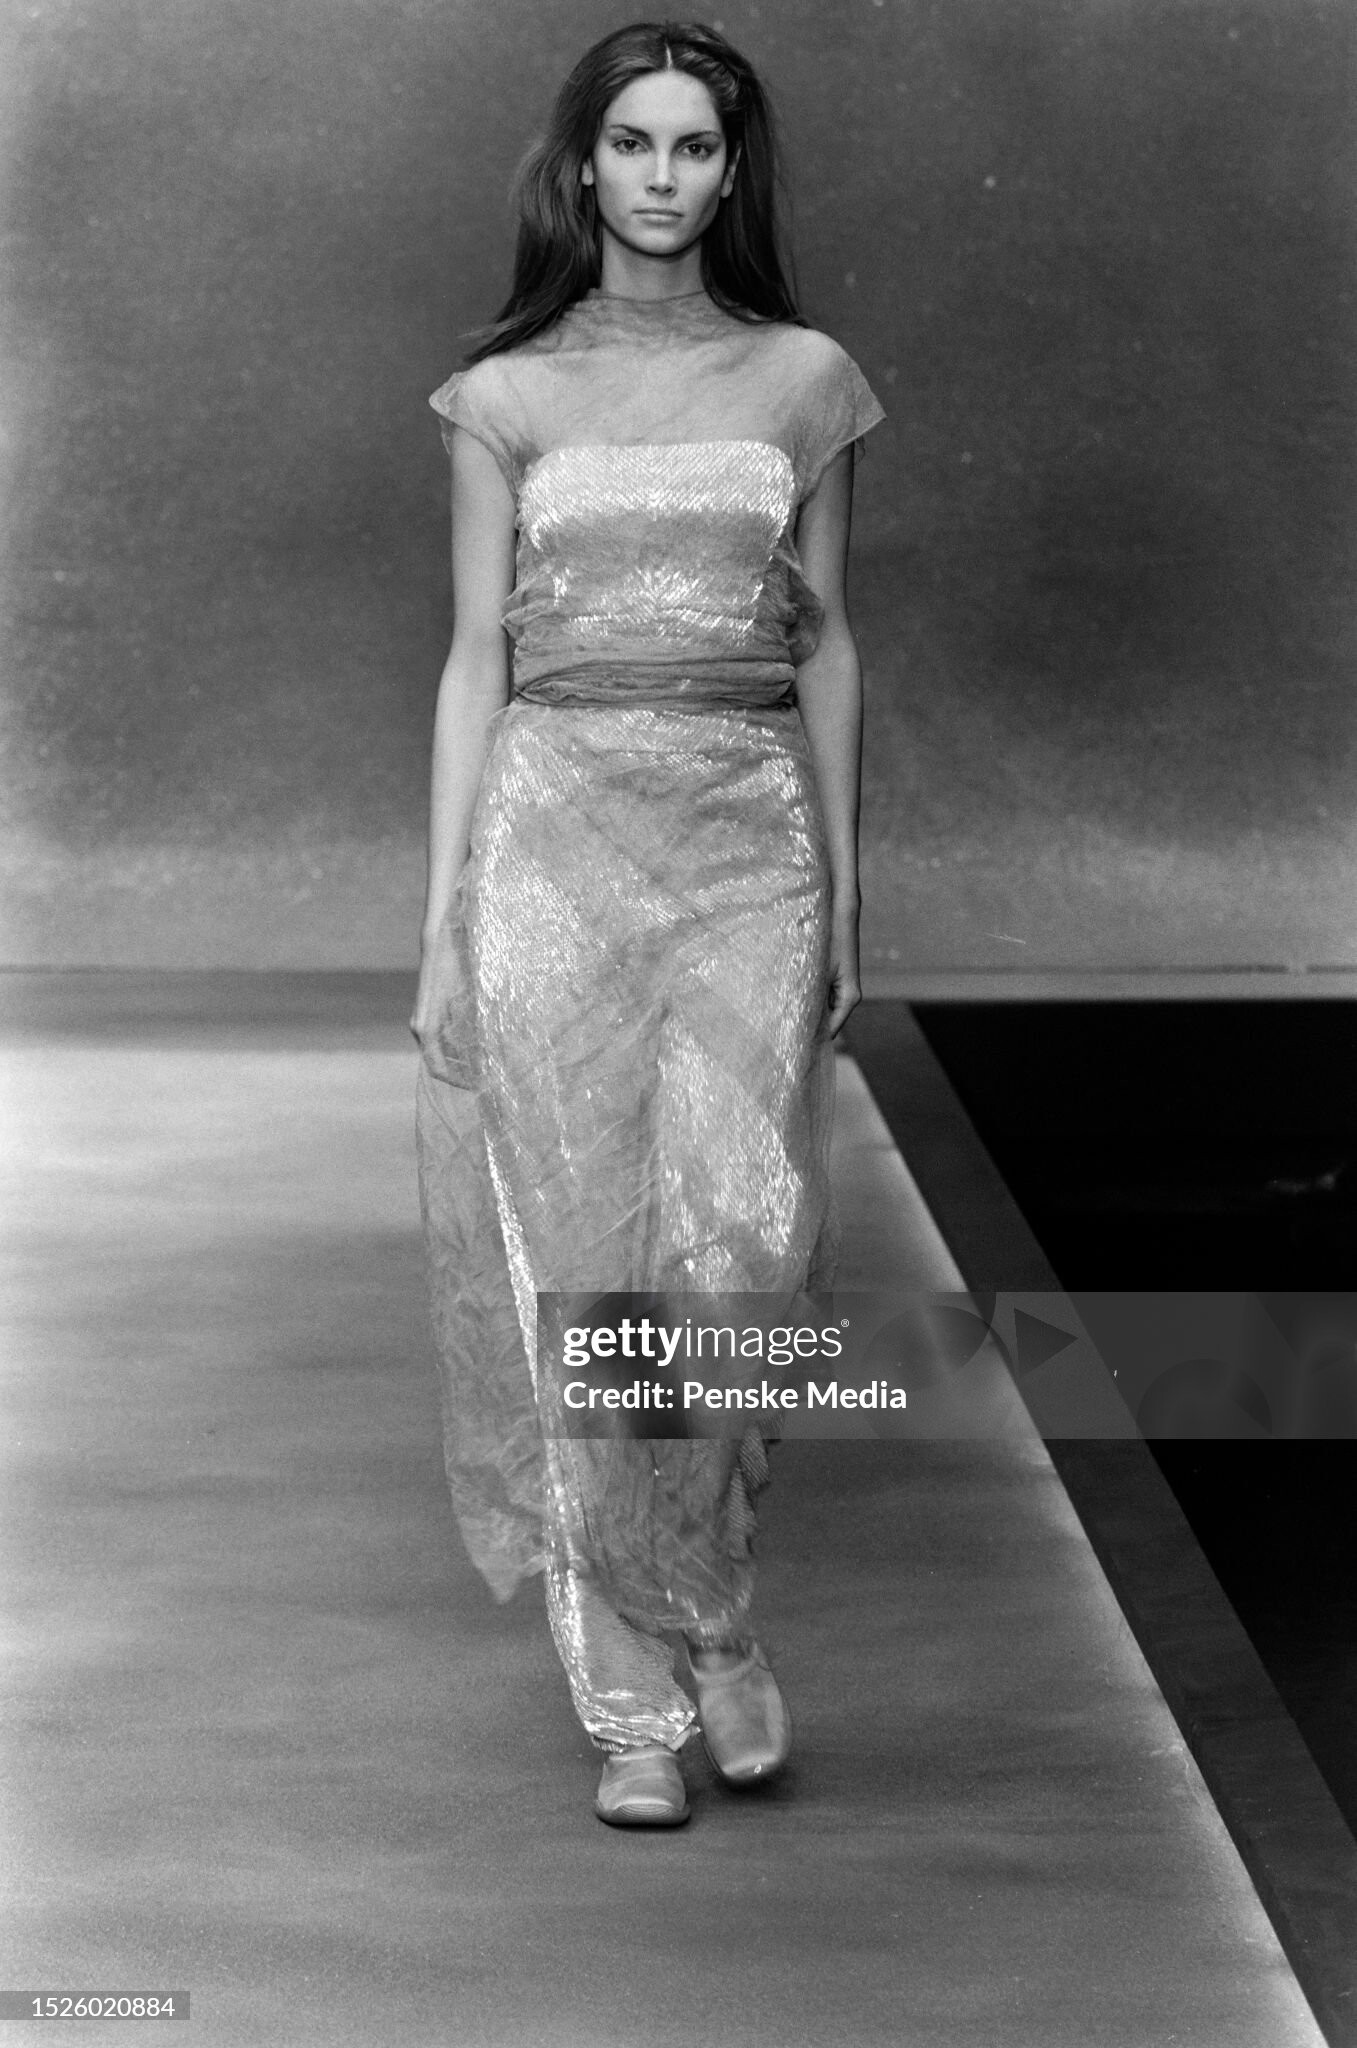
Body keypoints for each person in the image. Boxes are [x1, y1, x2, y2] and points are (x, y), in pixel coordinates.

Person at [411, 19, 883, 1827]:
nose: (663, 176)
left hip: (749, 837)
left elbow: (826, 643)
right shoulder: (502, 397)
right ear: (584, 164)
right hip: (553, 836)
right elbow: (475, 659)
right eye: (633, 143)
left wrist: (847, 883)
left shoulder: (805, 381)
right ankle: (630, 1697)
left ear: (730, 171)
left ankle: (716, 1607)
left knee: (740, 1247)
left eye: (695, 146)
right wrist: (441, 922)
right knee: (582, 1250)